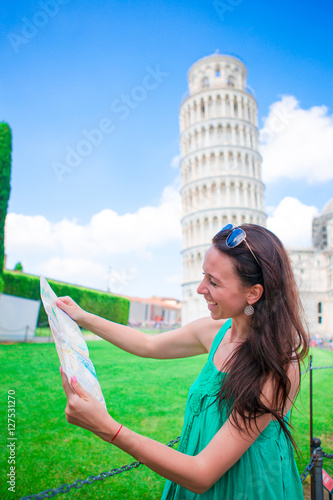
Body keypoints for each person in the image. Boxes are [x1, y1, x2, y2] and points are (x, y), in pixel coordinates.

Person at [57, 224, 309, 499]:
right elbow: (147, 344)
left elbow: (202, 474)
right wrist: (83, 317)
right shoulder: (215, 332)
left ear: (253, 293)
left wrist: (107, 428)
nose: (201, 288)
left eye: (214, 282)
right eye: (203, 276)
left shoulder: (277, 366)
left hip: (248, 489)